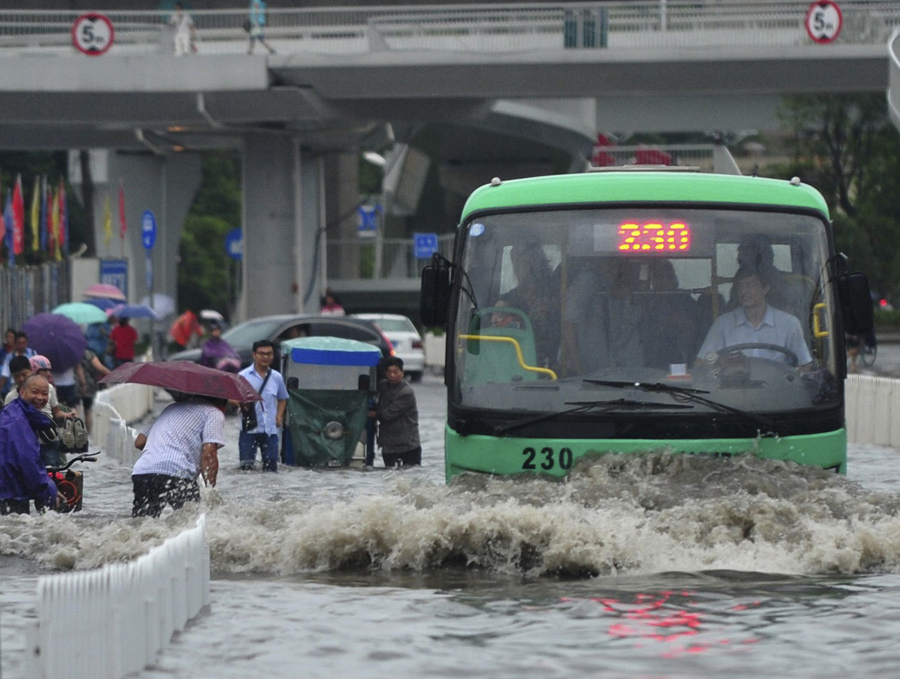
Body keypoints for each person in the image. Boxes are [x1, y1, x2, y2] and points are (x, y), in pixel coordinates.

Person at [696, 265, 813, 369]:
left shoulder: (789, 323)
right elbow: (702, 363)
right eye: (740, 286)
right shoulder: (722, 324)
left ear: (765, 289)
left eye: (751, 285)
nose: (744, 291)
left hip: (777, 390)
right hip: (734, 390)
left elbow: (805, 365)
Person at [131, 395, 226, 518]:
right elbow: (209, 454)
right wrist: (210, 490)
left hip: (143, 472)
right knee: (192, 521)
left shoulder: (171, 408)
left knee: (142, 523)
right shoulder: (213, 413)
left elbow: (139, 441)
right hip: (177, 473)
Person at [0, 373, 61, 515]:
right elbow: (28, 462)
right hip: (8, 492)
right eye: (35, 392)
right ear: (22, 392)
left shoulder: (15, 413)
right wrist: (49, 490)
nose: (40, 398)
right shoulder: (18, 421)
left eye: (45, 394)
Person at [502, 242, 561, 369]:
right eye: (514, 263)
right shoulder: (508, 301)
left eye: (522, 262)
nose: (516, 268)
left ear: (536, 263)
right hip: (520, 368)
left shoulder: (556, 293)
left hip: (559, 369)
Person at [237, 340, 288, 471]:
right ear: (254, 355)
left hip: (270, 429)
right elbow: (231, 398)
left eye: (269, 354)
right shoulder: (243, 376)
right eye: (262, 354)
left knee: (271, 467)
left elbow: (282, 399)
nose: (266, 357)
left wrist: (279, 416)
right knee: (246, 467)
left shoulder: (277, 377)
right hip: (249, 428)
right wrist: (242, 404)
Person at [374, 356, 421, 468]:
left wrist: (373, 414)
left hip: (408, 446)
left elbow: (387, 415)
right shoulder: (383, 386)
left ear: (402, 373)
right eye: (389, 372)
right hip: (389, 446)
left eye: (396, 372)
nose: (392, 375)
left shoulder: (406, 392)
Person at [78, 348, 110, 436]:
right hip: (88, 385)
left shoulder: (67, 354)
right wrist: (112, 374)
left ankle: (75, 433)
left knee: (74, 409)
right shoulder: (88, 354)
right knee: (88, 410)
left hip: (72, 384)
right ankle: (88, 435)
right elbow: (100, 368)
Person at [0, 331, 37, 397]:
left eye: (24, 343)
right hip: (15, 385)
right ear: (15, 344)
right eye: (19, 343)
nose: (22, 345)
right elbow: (4, 375)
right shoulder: (10, 357)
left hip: (32, 384)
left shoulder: (33, 353)